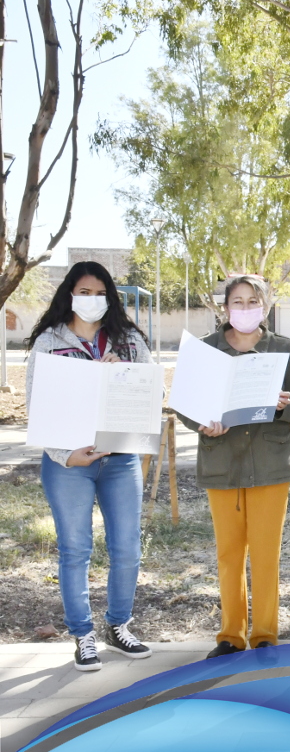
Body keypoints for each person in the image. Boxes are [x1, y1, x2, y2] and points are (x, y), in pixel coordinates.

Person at [175, 275, 290, 658]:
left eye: (253, 301)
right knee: (229, 554)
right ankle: (231, 637)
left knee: (266, 554)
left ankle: (266, 635)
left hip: (271, 465)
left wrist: (286, 407)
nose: (245, 308)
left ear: (265, 307)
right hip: (222, 464)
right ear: (225, 308)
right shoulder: (206, 350)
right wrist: (202, 423)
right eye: (237, 301)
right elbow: (185, 404)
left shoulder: (283, 349)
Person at [26, 262, 154, 671]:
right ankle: (83, 635)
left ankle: (118, 626)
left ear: (109, 297)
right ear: (69, 294)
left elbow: (152, 392)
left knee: (127, 548)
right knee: (75, 549)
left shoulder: (129, 339)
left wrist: (124, 376)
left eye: (99, 293)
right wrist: (64, 454)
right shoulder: (50, 341)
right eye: (84, 292)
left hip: (120, 459)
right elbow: (35, 402)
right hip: (69, 463)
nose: (91, 300)